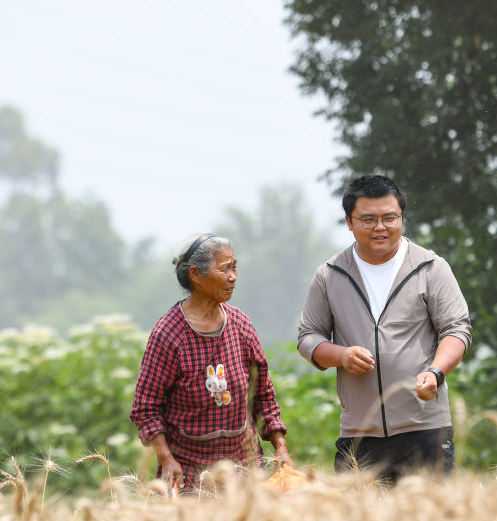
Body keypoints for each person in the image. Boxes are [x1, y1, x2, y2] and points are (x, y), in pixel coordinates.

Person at [298, 175, 472, 482]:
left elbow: (456, 330)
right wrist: (341, 355)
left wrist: (436, 372)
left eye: (390, 218)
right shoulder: (330, 275)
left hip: (425, 428)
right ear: (349, 222)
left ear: (402, 217)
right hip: (359, 433)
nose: (380, 227)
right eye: (368, 219)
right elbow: (308, 336)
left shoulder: (430, 267)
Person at [131, 232, 292, 492]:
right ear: (196, 275)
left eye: (235, 267)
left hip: (245, 471)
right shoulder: (168, 334)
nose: (233, 277)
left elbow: (263, 395)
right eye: (225, 269)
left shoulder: (241, 325)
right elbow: (145, 409)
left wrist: (280, 448)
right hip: (189, 475)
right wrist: (166, 459)